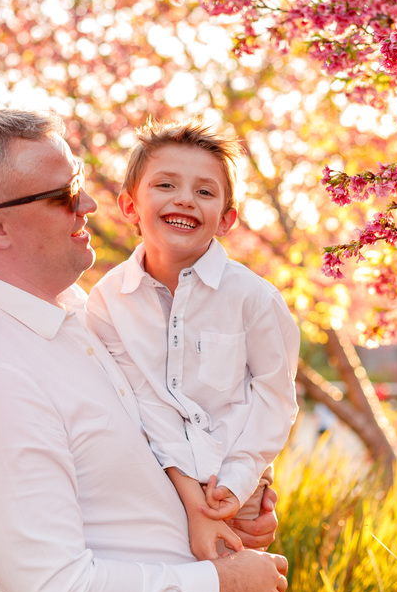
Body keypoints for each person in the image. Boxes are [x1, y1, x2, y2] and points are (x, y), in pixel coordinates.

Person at [0, 110, 289, 592]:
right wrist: (221, 586)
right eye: (64, 195)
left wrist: (236, 493)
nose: (89, 204)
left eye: (79, 183)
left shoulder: (80, 308)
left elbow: (165, 422)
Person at [86, 121, 300, 561]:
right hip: (157, 480)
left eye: (205, 192)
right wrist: (192, 499)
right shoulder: (107, 300)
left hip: (237, 486)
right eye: (165, 184)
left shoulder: (254, 298)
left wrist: (239, 482)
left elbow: (275, 398)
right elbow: (142, 401)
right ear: (130, 205)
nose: (185, 198)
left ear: (226, 219)